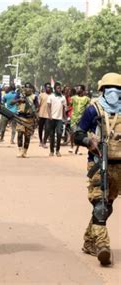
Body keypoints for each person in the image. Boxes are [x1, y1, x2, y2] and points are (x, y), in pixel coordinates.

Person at [74, 72, 121, 266]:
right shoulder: (93, 110)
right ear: (102, 91)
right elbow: (77, 133)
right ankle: (102, 245)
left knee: (107, 207)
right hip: (98, 163)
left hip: (118, 166)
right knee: (99, 205)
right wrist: (88, 141)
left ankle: (89, 240)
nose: (114, 93)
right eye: (111, 90)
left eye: (118, 90)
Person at [13, 82, 38, 157]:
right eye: (26, 87)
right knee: (20, 134)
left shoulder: (34, 97)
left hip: (29, 118)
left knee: (27, 136)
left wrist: (34, 112)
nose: (27, 89)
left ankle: (25, 152)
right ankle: (20, 150)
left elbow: (37, 106)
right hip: (20, 117)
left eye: (29, 88)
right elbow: (12, 102)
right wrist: (19, 100)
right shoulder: (20, 95)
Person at [47, 82, 67, 157]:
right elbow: (48, 107)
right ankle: (51, 151)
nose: (59, 89)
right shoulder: (51, 96)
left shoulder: (63, 97)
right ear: (55, 89)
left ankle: (57, 150)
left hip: (59, 119)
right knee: (51, 135)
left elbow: (64, 108)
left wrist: (65, 118)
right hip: (52, 118)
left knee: (59, 134)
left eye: (60, 88)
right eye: (58, 88)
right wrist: (49, 116)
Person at [69, 85, 91, 153]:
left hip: (82, 119)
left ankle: (77, 148)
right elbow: (69, 106)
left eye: (79, 88)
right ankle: (71, 146)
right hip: (74, 118)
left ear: (82, 90)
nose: (77, 89)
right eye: (77, 88)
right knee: (72, 133)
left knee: (79, 134)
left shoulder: (87, 99)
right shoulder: (73, 98)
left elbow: (88, 107)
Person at [37, 83, 51, 147]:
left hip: (48, 115)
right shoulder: (41, 95)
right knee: (40, 128)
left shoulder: (52, 96)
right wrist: (37, 113)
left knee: (47, 129)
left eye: (49, 87)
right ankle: (40, 141)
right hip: (41, 114)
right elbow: (38, 105)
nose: (49, 88)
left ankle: (44, 141)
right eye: (47, 87)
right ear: (45, 88)